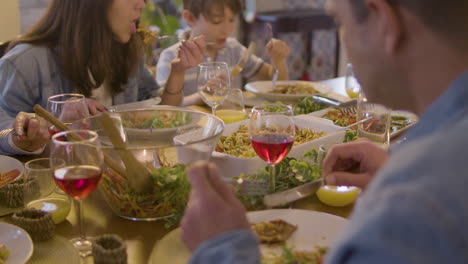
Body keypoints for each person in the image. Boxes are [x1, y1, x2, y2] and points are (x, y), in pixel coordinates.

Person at [181, 0, 468, 263]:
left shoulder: (410, 210)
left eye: (341, 23)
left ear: (384, 23)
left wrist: (220, 246)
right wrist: (395, 170)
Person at [0, 0, 206, 155]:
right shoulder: (25, 62)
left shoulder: (129, 51)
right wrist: (36, 132)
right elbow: (5, 131)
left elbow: (159, 116)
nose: (142, 4)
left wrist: (178, 72)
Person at [156, 0, 290, 106]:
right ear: (190, 18)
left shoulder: (234, 49)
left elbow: (276, 84)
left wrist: (278, 60)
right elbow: (164, 107)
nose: (227, 30)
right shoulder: (171, 57)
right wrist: (202, 96)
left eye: (232, 20)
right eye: (217, 22)